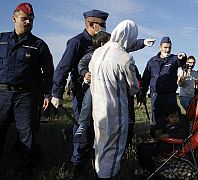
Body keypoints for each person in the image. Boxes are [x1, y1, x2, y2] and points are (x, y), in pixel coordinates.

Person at [50, 9, 155, 178]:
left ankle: (96, 165)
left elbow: (123, 43)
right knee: (83, 130)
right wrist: (57, 92)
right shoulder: (76, 42)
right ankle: (79, 165)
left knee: (97, 133)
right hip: (83, 93)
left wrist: (142, 42)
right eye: (102, 24)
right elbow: (63, 67)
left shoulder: (102, 46)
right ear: (90, 24)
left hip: (101, 94)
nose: (105, 28)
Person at [0, 2, 54, 179]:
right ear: (14, 18)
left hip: (25, 96)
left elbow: (48, 72)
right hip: (1, 94)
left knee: (27, 134)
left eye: (31, 20)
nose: (28, 22)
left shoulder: (38, 45)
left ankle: (25, 170)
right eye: (24, 19)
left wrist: (47, 93)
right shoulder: (1, 40)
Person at [89, 20, 143, 180]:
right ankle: (107, 176)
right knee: (113, 149)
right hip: (115, 113)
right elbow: (133, 88)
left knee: (100, 144)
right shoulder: (125, 58)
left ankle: (99, 172)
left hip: (98, 110)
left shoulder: (97, 53)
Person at [138, 37, 187, 137]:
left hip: (170, 96)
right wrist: (141, 95)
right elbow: (145, 80)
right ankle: (156, 139)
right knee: (156, 119)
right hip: (156, 96)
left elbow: (180, 61)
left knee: (172, 118)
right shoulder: (151, 62)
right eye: (165, 47)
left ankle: (171, 139)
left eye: (169, 47)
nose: (167, 50)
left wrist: (183, 57)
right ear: (160, 47)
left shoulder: (173, 59)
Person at [136, 105, 189, 177]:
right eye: (172, 117)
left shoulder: (180, 125)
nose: (175, 119)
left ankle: (153, 171)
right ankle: (144, 167)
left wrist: (168, 135)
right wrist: (155, 132)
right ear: (166, 118)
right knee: (140, 146)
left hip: (170, 147)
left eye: (177, 116)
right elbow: (154, 129)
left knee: (145, 152)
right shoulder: (165, 124)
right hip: (161, 144)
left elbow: (182, 135)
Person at [75, 31, 111, 136]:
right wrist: (85, 73)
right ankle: (82, 124)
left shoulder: (112, 56)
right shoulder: (92, 55)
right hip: (94, 85)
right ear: (102, 44)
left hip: (108, 86)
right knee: (88, 102)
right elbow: (82, 64)